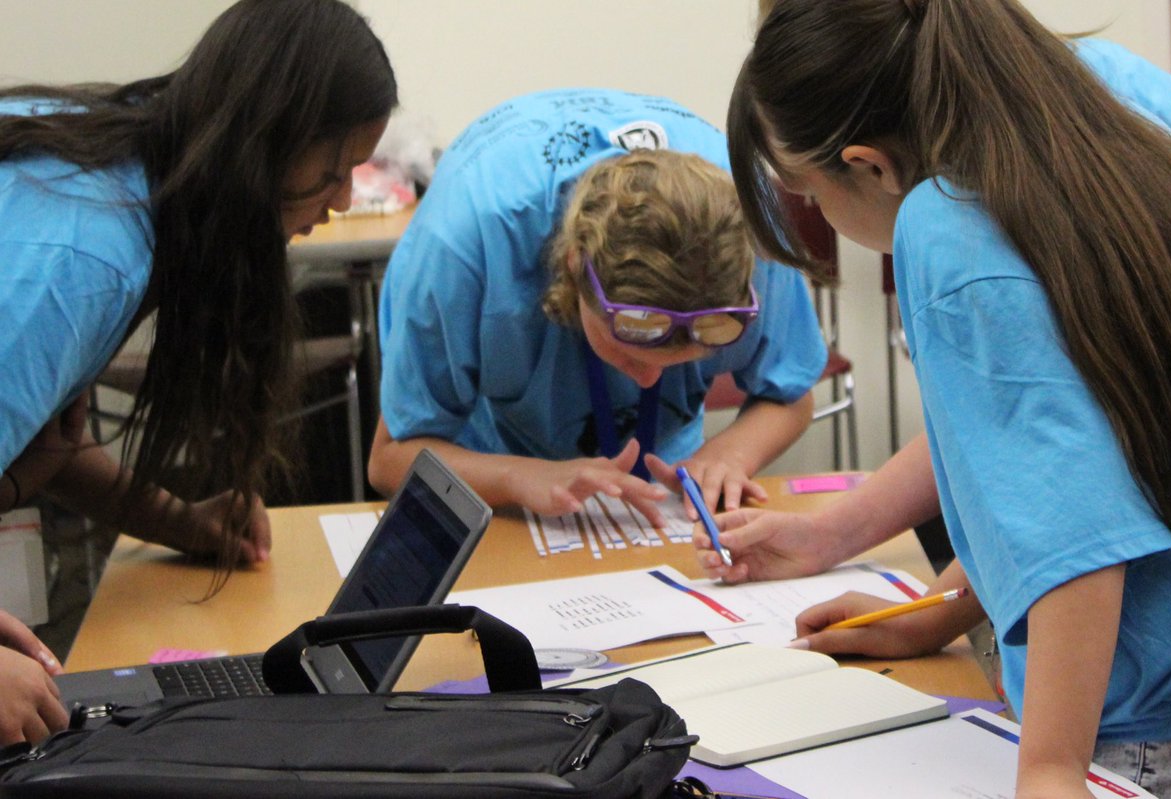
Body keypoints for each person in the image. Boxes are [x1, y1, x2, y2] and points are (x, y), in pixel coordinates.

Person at [700, 1, 1171, 797]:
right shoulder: (1087, 129)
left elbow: (1079, 532)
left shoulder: (948, 231)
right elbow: (1077, 448)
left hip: (1143, 729)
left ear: (869, 165)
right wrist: (943, 610)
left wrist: (1050, 769)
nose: (817, 216)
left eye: (806, 193)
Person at [0, 0, 397, 745]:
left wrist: (179, 521)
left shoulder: (120, 165)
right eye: (333, 171)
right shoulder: (86, 256)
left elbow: (40, 439)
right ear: (267, 140)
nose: (343, 200)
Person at [367, 88, 828, 527]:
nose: (648, 378)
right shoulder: (466, 245)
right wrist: (517, 477)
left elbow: (789, 394)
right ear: (573, 266)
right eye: (632, 349)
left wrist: (729, 455)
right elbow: (390, 458)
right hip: (491, 483)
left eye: (685, 358)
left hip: (655, 492)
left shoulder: (748, 233)